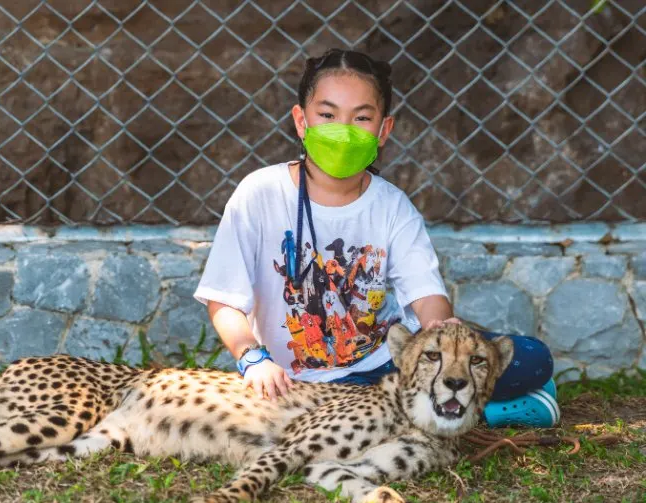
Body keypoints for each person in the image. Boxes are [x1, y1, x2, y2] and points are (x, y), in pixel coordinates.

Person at [193, 49, 558, 428]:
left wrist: (438, 330)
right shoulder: (259, 193)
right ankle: (485, 412)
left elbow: (425, 294)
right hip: (298, 383)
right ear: (301, 121)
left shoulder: (391, 205)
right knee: (347, 424)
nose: (344, 129)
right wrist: (253, 358)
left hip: (389, 365)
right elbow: (223, 298)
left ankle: (447, 410)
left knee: (531, 358)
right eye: (328, 115)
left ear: (383, 130)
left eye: (362, 118)